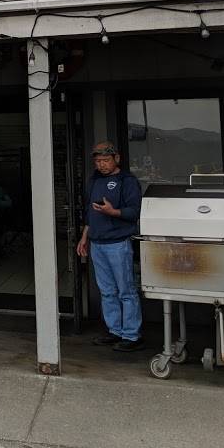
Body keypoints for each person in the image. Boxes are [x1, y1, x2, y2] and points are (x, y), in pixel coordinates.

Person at [76, 141, 144, 352]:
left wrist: (113, 212)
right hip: (97, 243)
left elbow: (135, 211)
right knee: (107, 291)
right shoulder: (95, 180)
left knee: (126, 291)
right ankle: (114, 330)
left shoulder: (127, 181)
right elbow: (90, 212)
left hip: (118, 243)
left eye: (106, 160)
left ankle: (131, 335)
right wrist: (84, 237)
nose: (102, 165)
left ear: (117, 158)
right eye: (98, 161)